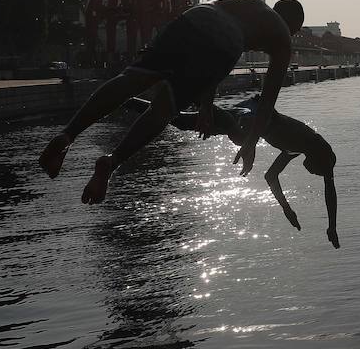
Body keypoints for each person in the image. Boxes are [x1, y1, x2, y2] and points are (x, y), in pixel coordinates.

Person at [39, 0, 304, 204]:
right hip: (225, 43)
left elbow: (218, 29)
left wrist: (205, 107)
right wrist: (250, 142)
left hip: (197, 17)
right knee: (162, 111)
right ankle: (111, 162)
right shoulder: (282, 38)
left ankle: (67, 135)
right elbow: (267, 102)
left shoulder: (250, 2)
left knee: (132, 80)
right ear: (294, 28)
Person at [130, 95, 340, 248]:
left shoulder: (296, 149)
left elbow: (270, 176)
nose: (315, 175)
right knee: (238, 138)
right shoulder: (305, 139)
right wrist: (249, 147)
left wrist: (287, 209)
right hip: (251, 114)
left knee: (181, 122)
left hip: (244, 122)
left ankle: (128, 101)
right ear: (318, 160)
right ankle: (205, 102)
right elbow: (329, 190)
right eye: (318, 173)